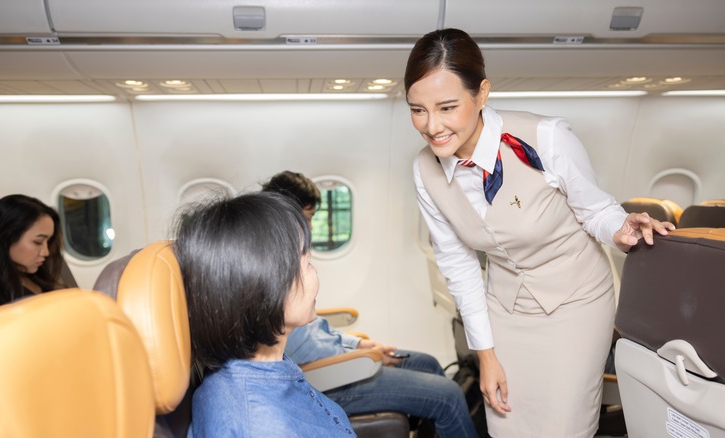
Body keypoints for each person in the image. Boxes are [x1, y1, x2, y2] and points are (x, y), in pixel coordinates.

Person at [405, 28, 676, 437]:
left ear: (481, 94)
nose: (432, 125)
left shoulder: (545, 136)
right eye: (417, 110)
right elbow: (458, 266)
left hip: (576, 303)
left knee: (562, 426)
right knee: (506, 422)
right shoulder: (423, 171)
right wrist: (486, 355)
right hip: (506, 310)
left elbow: (596, 209)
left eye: (446, 107)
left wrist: (620, 228)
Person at [262, 170, 479, 438]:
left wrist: (360, 345)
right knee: (448, 396)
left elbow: (313, 330)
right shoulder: (273, 268)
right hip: (331, 379)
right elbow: (307, 352)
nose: (309, 229)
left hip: (341, 362)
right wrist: (366, 358)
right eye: (307, 219)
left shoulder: (288, 258)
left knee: (428, 363)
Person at [174, 192, 355, 437]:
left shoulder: (262, 365)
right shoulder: (260, 425)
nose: (315, 274)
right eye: (308, 263)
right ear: (267, 286)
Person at [0, 194, 65, 318]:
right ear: (7, 238)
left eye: (48, 242)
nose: (46, 252)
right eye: (38, 242)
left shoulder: (37, 277)